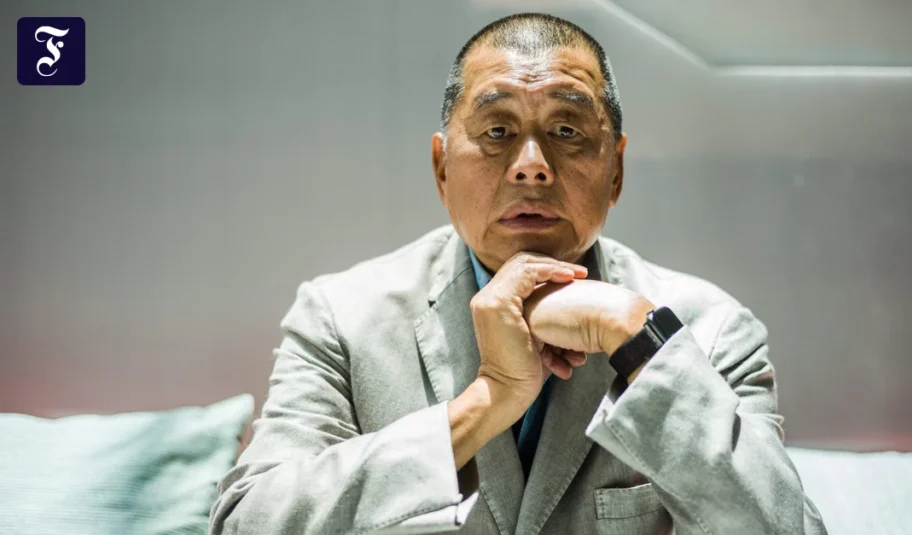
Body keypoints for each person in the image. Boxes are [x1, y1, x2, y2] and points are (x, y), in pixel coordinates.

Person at [209, 12, 827, 535]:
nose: (532, 165)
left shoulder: (710, 330)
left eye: (566, 130)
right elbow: (247, 522)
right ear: (442, 168)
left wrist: (637, 339)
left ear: (615, 171)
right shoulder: (342, 318)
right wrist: (486, 402)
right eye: (498, 131)